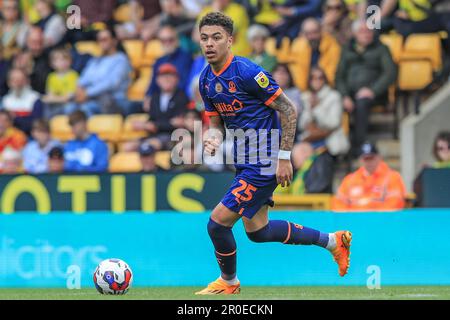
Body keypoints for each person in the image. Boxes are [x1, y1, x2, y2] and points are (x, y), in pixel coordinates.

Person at [195, 12, 352, 295]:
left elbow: (288, 109)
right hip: (244, 163)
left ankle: (229, 283)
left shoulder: (247, 72)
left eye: (216, 37)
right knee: (258, 232)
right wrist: (212, 139)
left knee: (217, 225)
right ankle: (333, 241)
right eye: (204, 37)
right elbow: (216, 123)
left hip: (264, 161)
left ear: (230, 40)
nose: (209, 44)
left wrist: (283, 157)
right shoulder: (205, 80)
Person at [335, 19, 396, 156]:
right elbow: (339, 76)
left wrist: (372, 91)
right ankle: (335, 149)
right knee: (333, 102)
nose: (366, 34)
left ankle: (358, 146)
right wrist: (344, 96)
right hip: (350, 94)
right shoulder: (347, 49)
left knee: (361, 103)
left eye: (369, 31)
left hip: (375, 94)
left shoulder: (381, 48)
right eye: (362, 31)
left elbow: (390, 73)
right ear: (354, 34)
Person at [66, 28, 132, 116]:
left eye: (105, 39)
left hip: (113, 101)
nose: (101, 43)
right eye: (99, 40)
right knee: (69, 108)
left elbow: (111, 83)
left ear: (114, 41)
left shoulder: (121, 60)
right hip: (91, 98)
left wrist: (87, 93)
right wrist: (79, 88)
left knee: (85, 109)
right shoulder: (95, 60)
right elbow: (83, 78)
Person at [332, 142, 407, 211]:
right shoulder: (350, 179)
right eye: (366, 159)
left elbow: (396, 202)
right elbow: (338, 203)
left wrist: (374, 216)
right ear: (360, 160)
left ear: (379, 157)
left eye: (371, 158)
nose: (369, 162)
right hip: (354, 222)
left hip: (382, 222)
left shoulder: (392, 177)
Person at [133, 63, 189, 151]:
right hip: (154, 135)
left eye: (170, 75)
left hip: (172, 137)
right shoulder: (154, 98)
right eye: (163, 76)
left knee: (152, 144)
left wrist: (155, 125)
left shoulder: (182, 97)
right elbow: (153, 118)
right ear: (157, 80)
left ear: (177, 79)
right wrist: (144, 124)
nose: (166, 79)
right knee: (129, 146)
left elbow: (178, 123)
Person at [290, 18, 341, 91]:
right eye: (308, 33)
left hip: (326, 88)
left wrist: (318, 89)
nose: (312, 37)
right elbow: (298, 73)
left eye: (315, 32)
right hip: (304, 91)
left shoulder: (332, 45)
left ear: (321, 31)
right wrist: (306, 92)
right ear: (303, 34)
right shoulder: (297, 47)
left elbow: (331, 74)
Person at [145, 24, 193, 97]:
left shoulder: (186, 58)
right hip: (160, 99)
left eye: (170, 40)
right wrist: (148, 96)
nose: (167, 43)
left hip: (178, 99)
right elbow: (153, 86)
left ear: (177, 40)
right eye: (163, 41)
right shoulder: (159, 61)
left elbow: (184, 84)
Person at [1, 68, 45, 135]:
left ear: (27, 81)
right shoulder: (5, 100)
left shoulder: (35, 99)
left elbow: (35, 124)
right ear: (8, 83)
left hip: (29, 136)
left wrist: (15, 118)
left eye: (21, 79)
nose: (18, 83)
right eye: (14, 80)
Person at [42, 47, 79, 118]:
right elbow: (49, 95)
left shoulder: (73, 75)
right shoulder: (51, 77)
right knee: (44, 107)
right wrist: (55, 98)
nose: (62, 62)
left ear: (70, 61)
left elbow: (69, 97)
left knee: (70, 107)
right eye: (58, 60)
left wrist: (54, 98)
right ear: (52, 63)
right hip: (56, 105)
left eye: (65, 59)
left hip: (69, 104)